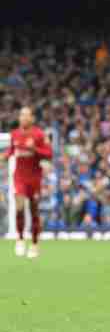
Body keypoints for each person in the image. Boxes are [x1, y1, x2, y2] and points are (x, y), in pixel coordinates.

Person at [1, 107, 53, 258]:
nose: (23, 117)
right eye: (21, 114)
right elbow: (11, 151)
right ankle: (20, 239)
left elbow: (49, 153)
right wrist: (3, 157)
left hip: (35, 178)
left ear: (32, 118)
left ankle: (35, 244)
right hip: (19, 177)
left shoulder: (39, 134)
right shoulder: (14, 134)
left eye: (26, 115)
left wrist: (35, 149)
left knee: (34, 210)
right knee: (19, 206)